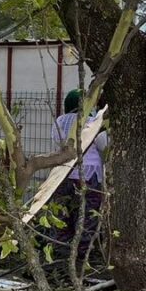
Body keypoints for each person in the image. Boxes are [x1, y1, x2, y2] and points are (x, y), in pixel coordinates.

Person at [50, 89, 108, 264]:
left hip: (63, 174)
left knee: (63, 213)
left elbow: (56, 140)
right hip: (89, 175)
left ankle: (61, 251)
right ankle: (82, 255)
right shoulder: (92, 123)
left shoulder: (60, 121)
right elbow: (103, 144)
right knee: (87, 214)